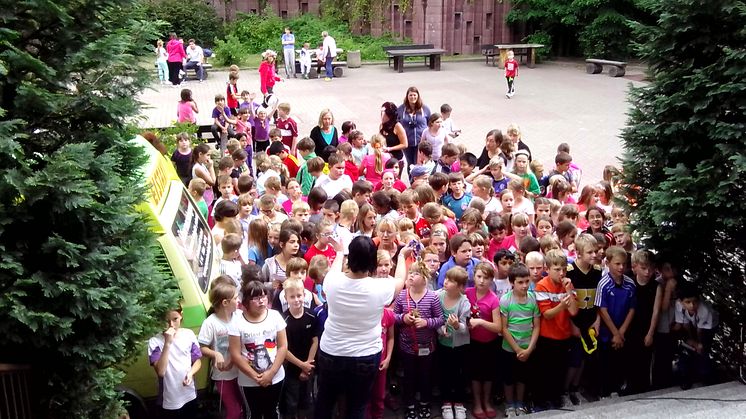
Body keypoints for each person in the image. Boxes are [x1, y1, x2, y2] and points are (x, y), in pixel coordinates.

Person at [314, 236, 403, 419]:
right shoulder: (380, 287)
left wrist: (339, 252)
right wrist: (402, 256)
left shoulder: (333, 281)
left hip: (332, 351)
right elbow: (401, 279)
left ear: (350, 258)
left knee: (325, 401)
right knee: (358, 405)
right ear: (373, 261)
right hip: (366, 355)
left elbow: (335, 268)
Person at [229, 280, 288, 419]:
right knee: (253, 413)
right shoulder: (237, 322)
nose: (261, 301)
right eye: (256, 298)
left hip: (275, 377)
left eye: (263, 296)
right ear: (246, 302)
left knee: (272, 412)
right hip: (249, 381)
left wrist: (271, 373)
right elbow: (235, 354)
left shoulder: (275, 316)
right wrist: (256, 377)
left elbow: (283, 346)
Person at [394, 261, 445, 419]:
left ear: (424, 278)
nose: (410, 276)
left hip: (427, 346)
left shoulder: (432, 297)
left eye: (415, 274)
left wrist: (426, 322)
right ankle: (409, 405)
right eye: (410, 273)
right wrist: (404, 318)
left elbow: (440, 319)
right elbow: (394, 317)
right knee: (409, 377)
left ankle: (424, 403)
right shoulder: (403, 295)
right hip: (407, 346)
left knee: (425, 376)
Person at [534, 249, 577, 409]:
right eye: (557, 269)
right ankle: (542, 400)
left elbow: (573, 311)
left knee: (560, 370)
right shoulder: (542, 285)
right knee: (545, 371)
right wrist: (561, 305)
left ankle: (556, 398)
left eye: (564, 269)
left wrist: (568, 291)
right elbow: (547, 314)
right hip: (547, 337)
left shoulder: (568, 284)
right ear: (547, 268)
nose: (561, 273)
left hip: (564, 335)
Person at [564, 234, 602, 404]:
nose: (594, 255)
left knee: (587, 356)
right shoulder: (570, 272)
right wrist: (573, 324)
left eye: (595, 251)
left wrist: (597, 320)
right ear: (578, 253)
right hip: (575, 322)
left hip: (591, 320)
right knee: (574, 359)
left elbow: (599, 300)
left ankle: (576, 387)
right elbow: (567, 300)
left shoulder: (598, 271)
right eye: (589, 252)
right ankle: (565, 390)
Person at [199, 277, 243, 419]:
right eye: (236, 298)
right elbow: (202, 348)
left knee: (243, 407)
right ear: (225, 303)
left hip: (241, 372)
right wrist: (215, 354)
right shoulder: (210, 323)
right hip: (223, 376)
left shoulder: (239, 316)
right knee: (233, 410)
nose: (239, 301)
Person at [595, 246, 636, 398]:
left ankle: (620, 387)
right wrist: (615, 333)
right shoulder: (603, 284)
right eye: (617, 264)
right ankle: (605, 391)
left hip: (623, 331)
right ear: (608, 263)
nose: (621, 267)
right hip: (607, 333)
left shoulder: (630, 284)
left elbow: (632, 308)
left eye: (624, 264)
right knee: (606, 362)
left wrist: (621, 332)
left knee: (622, 361)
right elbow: (602, 309)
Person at [500, 263, 540, 417]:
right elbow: (504, 328)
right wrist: (517, 349)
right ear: (511, 282)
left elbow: (536, 326)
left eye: (527, 282)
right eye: (520, 282)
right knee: (509, 378)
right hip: (510, 348)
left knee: (523, 378)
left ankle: (520, 403)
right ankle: (510, 404)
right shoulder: (505, 300)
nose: (524, 286)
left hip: (528, 347)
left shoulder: (532, 299)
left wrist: (529, 349)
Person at [148, 306, 202, 417]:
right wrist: (167, 343)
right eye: (167, 321)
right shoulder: (155, 342)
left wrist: (191, 373)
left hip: (189, 393)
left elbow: (197, 361)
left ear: (181, 315)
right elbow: (161, 372)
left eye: (175, 319)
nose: (171, 325)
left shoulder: (188, 334)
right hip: (169, 398)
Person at [465, 262, 502, 419]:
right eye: (479, 277)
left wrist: (480, 322)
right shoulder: (467, 293)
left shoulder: (493, 299)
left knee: (488, 375)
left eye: (486, 278)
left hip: (489, 343)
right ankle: (477, 403)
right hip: (472, 342)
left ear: (491, 280)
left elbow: (498, 327)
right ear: (473, 277)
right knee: (475, 374)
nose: (481, 281)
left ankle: (486, 402)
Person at [280, 278, 318, 418]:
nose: (296, 299)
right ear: (286, 298)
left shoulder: (311, 316)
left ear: (304, 295)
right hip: (291, 369)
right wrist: (301, 365)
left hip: (309, 367)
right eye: (292, 296)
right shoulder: (283, 320)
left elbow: (315, 341)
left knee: (307, 401)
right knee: (291, 402)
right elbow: (284, 348)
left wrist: (307, 365)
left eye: (299, 295)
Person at [436, 266, 471, 419]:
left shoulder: (464, 302)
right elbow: (435, 319)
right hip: (443, 344)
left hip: (460, 346)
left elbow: (465, 328)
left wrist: (457, 325)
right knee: (444, 372)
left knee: (459, 374)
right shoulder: (437, 296)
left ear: (461, 286)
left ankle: (459, 402)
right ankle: (446, 402)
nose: (446, 282)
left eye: (451, 281)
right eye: (446, 279)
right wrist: (441, 329)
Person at [672, 282, 718, 389]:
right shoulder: (678, 305)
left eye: (694, 302)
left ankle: (706, 374)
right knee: (687, 350)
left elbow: (700, 331)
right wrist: (691, 341)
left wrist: (698, 344)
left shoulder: (705, 311)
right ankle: (686, 376)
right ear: (681, 302)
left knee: (703, 349)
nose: (692, 305)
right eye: (688, 302)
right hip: (692, 324)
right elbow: (685, 325)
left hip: (709, 327)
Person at [397, 87, 431, 170]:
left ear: (418, 96)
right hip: (407, 142)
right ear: (407, 96)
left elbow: (430, 123)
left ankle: (417, 181)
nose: (412, 97)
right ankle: (411, 181)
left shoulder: (425, 109)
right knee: (410, 163)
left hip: (420, 142)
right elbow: (396, 123)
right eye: (410, 95)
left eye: (414, 95)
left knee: (418, 162)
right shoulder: (401, 109)